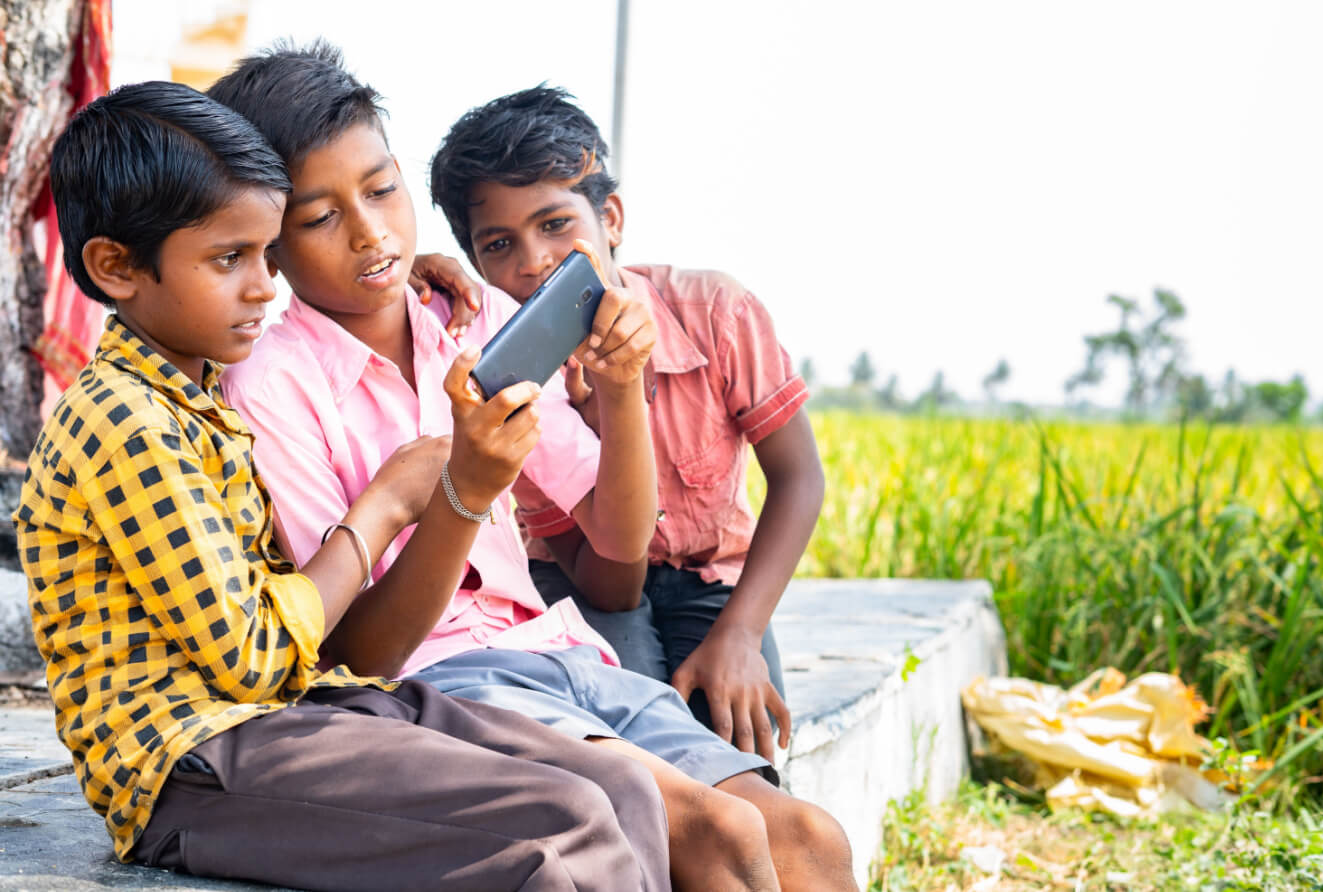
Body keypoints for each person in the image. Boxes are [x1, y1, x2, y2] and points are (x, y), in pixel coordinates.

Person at [211, 41, 855, 892]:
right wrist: (459, 496)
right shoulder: (273, 382)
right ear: (270, 241)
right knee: (715, 831)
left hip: (558, 650)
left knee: (807, 836)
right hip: (435, 683)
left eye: (380, 190)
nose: (371, 234)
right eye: (319, 218)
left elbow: (619, 550)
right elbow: (357, 652)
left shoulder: (468, 323)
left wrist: (621, 391)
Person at [14, 80, 673, 892]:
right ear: (116, 267)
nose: (265, 287)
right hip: (192, 765)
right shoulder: (126, 421)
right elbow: (253, 657)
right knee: (555, 828)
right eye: (232, 259)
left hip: (307, 710)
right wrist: (389, 504)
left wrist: (411, 281)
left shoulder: (191, 391)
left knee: (622, 787)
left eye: (265, 252)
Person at [428, 86, 826, 761]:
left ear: (610, 217)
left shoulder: (715, 311)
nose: (533, 261)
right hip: (585, 581)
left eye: (556, 224)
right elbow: (613, 583)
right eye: (499, 244)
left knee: (740, 750)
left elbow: (799, 479)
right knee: (643, 755)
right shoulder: (509, 383)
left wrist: (740, 635)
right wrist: (611, 398)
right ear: (477, 265)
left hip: (714, 583)